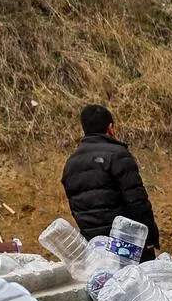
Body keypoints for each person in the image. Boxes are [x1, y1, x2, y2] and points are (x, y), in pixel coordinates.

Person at [60, 104, 160, 257]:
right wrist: (150, 236)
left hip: (95, 249)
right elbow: (137, 201)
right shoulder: (118, 155)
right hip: (128, 245)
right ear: (111, 128)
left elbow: (76, 209)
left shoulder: (70, 164)